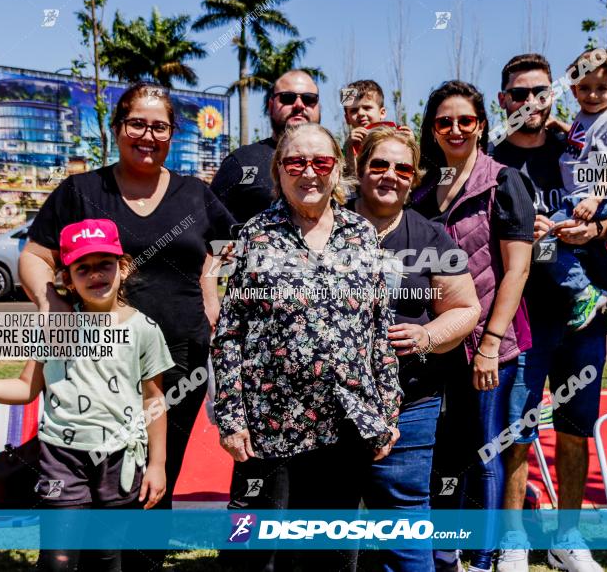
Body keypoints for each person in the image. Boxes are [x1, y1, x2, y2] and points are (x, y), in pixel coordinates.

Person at [19, 82, 234, 570]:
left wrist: (209, 285)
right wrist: (50, 301)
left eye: (160, 126)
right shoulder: (81, 192)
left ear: (172, 135)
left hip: (179, 360)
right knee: (86, 472)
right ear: (118, 129)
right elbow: (33, 256)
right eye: (137, 123)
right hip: (90, 362)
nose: (148, 134)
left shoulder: (195, 194)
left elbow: (231, 247)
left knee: (157, 474)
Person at [213, 122, 402, 572]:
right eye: (296, 162)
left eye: (321, 162)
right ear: (279, 171)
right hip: (269, 425)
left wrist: (389, 410)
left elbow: (379, 327)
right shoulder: (255, 235)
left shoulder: (361, 235)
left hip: (345, 423)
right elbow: (229, 333)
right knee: (254, 552)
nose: (309, 172)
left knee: (331, 554)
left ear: (338, 170)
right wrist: (232, 417)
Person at [0, 218, 172, 571]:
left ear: (122, 268)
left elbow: (153, 399)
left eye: (104, 264)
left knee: (107, 558)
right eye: (83, 267)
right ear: (67, 278)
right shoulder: (55, 329)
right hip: (61, 459)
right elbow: (25, 388)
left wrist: (156, 464)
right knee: (57, 560)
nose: (95, 274)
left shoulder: (144, 329)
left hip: (121, 459)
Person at [489, 54, 607, 572]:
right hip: (522, 318)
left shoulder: (578, 146)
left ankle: (569, 538)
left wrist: (597, 231)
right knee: (518, 430)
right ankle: (515, 539)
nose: (530, 102)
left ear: (553, 96)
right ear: (503, 100)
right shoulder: (490, 160)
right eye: (518, 94)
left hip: (582, 317)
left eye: (540, 92)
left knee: (575, 426)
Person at [411, 81, 535, 572]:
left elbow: (518, 269)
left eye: (466, 120)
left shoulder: (505, 182)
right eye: (445, 121)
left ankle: (482, 559)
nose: (456, 129)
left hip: (492, 351)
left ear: (481, 125)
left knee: (484, 455)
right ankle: (447, 553)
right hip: (439, 348)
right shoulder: (422, 194)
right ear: (434, 129)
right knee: (444, 453)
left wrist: (489, 345)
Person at [351, 127, 481, 572]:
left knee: (404, 517)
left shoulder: (430, 237)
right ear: (359, 168)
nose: (390, 175)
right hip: (328, 405)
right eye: (379, 165)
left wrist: (427, 336)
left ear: (414, 177)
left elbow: (466, 309)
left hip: (410, 401)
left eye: (402, 168)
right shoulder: (326, 227)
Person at [545, 49, 607, 332]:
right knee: (592, 250)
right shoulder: (585, 118)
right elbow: (585, 142)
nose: (592, 95)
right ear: (573, 89)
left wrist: (595, 199)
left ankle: (582, 291)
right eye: (584, 88)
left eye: (601, 89)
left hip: (588, 196)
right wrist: (561, 125)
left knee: (542, 240)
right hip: (581, 196)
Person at [211, 70, 322, 223]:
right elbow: (210, 226)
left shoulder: (336, 162)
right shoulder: (242, 162)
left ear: (318, 107)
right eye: (287, 98)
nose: (299, 105)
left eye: (309, 99)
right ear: (270, 106)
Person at [342, 79, 413, 176]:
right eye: (354, 110)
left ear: (382, 112)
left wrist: (411, 145)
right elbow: (352, 179)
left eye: (367, 108)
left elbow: (412, 173)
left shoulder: (397, 136)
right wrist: (349, 149)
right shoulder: (348, 146)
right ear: (347, 118)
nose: (361, 113)